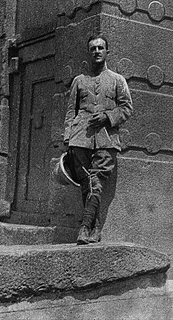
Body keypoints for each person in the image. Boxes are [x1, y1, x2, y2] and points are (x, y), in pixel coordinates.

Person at [63, 34, 133, 244]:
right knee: (87, 183)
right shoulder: (79, 81)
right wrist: (67, 139)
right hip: (80, 139)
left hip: (106, 139)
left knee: (96, 182)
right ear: (89, 52)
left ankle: (85, 227)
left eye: (100, 48)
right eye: (93, 48)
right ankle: (95, 227)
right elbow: (70, 112)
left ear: (107, 52)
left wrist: (107, 117)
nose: (97, 51)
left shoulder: (117, 80)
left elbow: (127, 108)